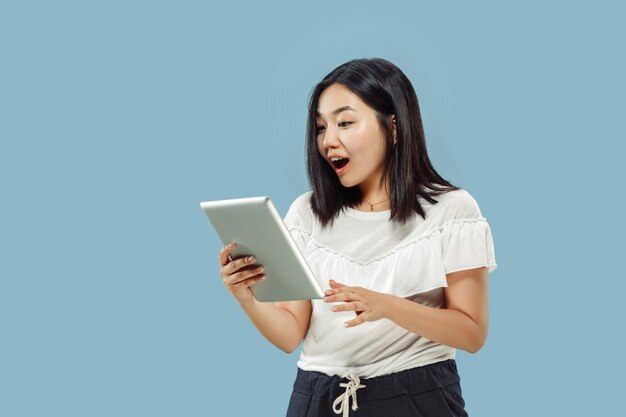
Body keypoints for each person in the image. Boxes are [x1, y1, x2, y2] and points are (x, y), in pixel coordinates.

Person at [217, 58, 497, 417]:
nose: (328, 141)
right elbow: (290, 335)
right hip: (315, 397)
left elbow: (471, 332)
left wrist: (386, 306)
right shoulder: (306, 213)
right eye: (320, 127)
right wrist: (247, 299)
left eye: (345, 123)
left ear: (393, 126)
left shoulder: (452, 210)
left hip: (415, 395)